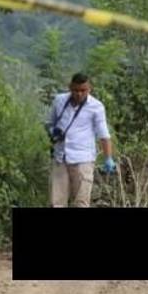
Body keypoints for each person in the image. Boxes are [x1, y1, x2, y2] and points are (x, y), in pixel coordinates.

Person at [46, 73, 115, 208]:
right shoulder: (59, 100)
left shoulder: (96, 106)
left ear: (89, 89)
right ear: (70, 87)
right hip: (60, 157)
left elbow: (103, 134)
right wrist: (53, 131)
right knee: (56, 202)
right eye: (75, 90)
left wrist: (108, 158)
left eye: (83, 90)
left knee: (81, 202)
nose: (79, 94)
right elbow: (49, 122)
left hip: (83, 159)